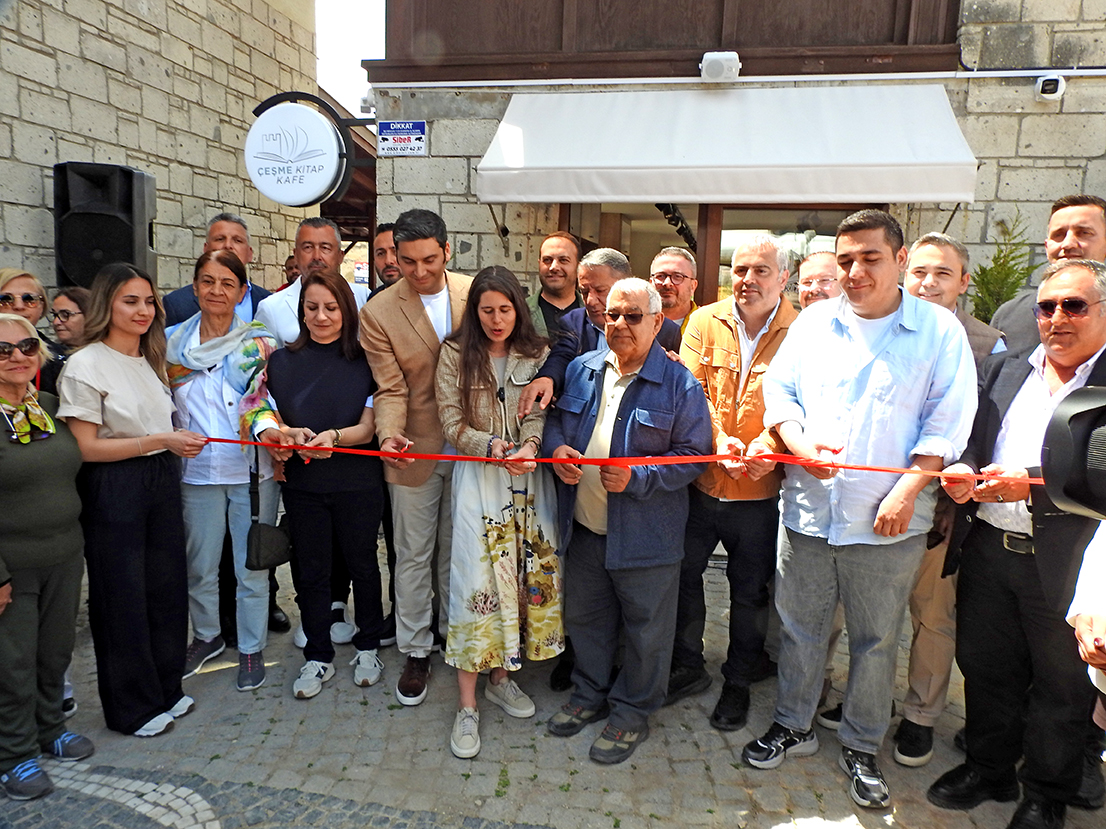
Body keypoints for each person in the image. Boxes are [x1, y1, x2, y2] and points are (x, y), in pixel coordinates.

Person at [742, 210, 976, 810]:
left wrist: (905, 492)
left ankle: (862, 745)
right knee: (799, 628)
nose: (855, 270)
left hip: (889, 520)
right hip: (810, 512)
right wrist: (797, 445)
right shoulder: (815, 322)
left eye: (870, 257)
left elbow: (948, 418)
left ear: (900, 260)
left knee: (876, 639)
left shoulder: (938, 332)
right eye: (845, 259)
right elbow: (781, 392)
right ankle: (793, 723)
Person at [928, 258, 1106, 829]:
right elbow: (975, 442)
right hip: (990, 548)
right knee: (985, 667)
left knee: (1062, 686)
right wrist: (965, 471)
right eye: (1047, 307)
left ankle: (1045, 793)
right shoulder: (1007, 368)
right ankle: (988, 768)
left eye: (1074, 306)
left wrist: (1027, 482)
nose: (1057, 319)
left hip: (1068, 566)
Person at [543, 278, 711, 764]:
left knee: (646, 632)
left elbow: (695, 456)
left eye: (632, 316)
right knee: (587, 620)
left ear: (658, 322)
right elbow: (556, 421)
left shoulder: (680, 383)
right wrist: (556, 449)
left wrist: (639, 476)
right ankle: (588, 694)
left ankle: (632, 712)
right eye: (612, 315)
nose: (618, 324)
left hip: (646, 538)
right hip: (585, 528)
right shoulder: (581, 370)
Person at [56, 263, 207, 738]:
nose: (143, 310)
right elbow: (85, 447)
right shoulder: (86, 363)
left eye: (148, 301)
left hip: (160, 477)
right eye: (130, 301)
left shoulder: (149, 357)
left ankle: (165, 687)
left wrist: (167, 443)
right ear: (107, 305)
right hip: (114, 485)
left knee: (165, 586)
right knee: (121, 595)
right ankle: (131, 707)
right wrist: (160, 441)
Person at [884, 232, 1005, 766]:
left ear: (964, 281)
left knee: (932, 616)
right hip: (877, 499)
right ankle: (865, 701)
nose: (929, 283)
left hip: (945, 509)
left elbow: (991, 430)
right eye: (920, 273)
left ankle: (920, 716)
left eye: (943, 274)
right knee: (871, 613)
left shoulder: (989, 344)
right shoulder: (882, 329)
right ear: (905, 273)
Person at [669, 235, 797, 730]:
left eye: (761, 270)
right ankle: (688, 666)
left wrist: (770, 443)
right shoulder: (704, 321)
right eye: (741, 270)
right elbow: (691, 391)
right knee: (684, 579)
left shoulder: (803, 330)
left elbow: (802, 400)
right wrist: (718, 438)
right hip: (702, 485)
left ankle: (739, 681)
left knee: (749, 594)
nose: (748, 280)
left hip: (760, 495)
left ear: (783, 278)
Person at [435, 266, 562, 758]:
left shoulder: (539, 353)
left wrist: (529, 443)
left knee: (524, 577)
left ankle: (501, 677)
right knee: (477, 583)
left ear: (518, 308)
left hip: (529, 480)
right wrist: (492, 446)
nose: (495, 319)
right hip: (479, 480)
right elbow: (450, 420)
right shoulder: (453, 354)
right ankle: (466, 704)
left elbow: (539, 410)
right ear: (475, 311)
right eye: (486, 310)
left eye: (504, 309)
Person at [245, 269, 387, 700]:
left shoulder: (367, 361)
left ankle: (368, 646)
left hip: (358, 482)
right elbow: (267, 416)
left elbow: (368, 427)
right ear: (301, 311)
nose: (321, 316)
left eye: (331, 307)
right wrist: (285, 435)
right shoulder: (280, 362)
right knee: (310, 570)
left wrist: (335, 438)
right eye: (312, 308)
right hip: (304, 485)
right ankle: (318, 655)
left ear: (347, 310)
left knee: (363, 564)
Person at [360, 208, 473, 707]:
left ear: (447, 251)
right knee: (411, 556)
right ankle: (415, 647)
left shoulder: (477, 294)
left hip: (474, 450)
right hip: (413, 450)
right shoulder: (379, 311)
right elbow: (389, 388)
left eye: (429, 259)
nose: (420, 271)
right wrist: (388, 436)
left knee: (458, 552)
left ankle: (453, 634)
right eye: (408, 262)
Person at [167, 250, 279, 692]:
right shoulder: (171, 343)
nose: (216, 291)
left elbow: (266, 400)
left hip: (251, 471)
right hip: (195, 473)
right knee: (200, 565)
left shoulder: (260, 343)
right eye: (207, 282)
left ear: (241, 292)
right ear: (194, 288)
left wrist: (270, 432)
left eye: (227, 283)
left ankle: (251, 647)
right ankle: (208, 635)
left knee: (250, 565)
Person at [0, 314, 93, 801]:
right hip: (12, 564)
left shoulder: (52, 407)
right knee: (11, 662)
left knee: (53, 651)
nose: (17, 357)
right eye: (3, 350)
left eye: (26, 347)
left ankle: (49, 728)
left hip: (63, 553)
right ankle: (13, 755)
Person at [992, 195, 1106, 354]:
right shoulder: (1010, 316)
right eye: (1058, 235)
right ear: (1047, 246)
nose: (1067, 244)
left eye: (1084, 233)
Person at [255, 217, 371, 347]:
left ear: (340, 256)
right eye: (308, 247)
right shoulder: (271, 308)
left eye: (325, 248)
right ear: (296, 255)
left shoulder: (363, 297)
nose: (316, 256)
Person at [163, 213, 271, 326]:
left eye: (237, 240)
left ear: (250, 253)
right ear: (206, 249)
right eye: (220, 239)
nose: (228, 245)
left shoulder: (270, 302)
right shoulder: (176, 304)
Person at [0, 269, 61, 393]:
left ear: (42, 306)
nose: (19, 306)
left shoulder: (62, 359)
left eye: (29, 299)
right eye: (5, 299)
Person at [525, 231, 582, 338]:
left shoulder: (594, 314)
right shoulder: (521, 312)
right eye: (547, 260)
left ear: (578, 267)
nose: (554, 267)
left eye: (563, 260)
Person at [650, 247, 698, 334]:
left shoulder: (707, 324)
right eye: (660, 276)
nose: (667, 283)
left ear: (692, 286)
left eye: (678, 276)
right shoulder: (635, 322)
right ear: (650, 283)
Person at [370, 222, 401, 295]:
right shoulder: (374, 298)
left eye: (395, 252)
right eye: (381, 253)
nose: (388, 261)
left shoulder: (428, 298)